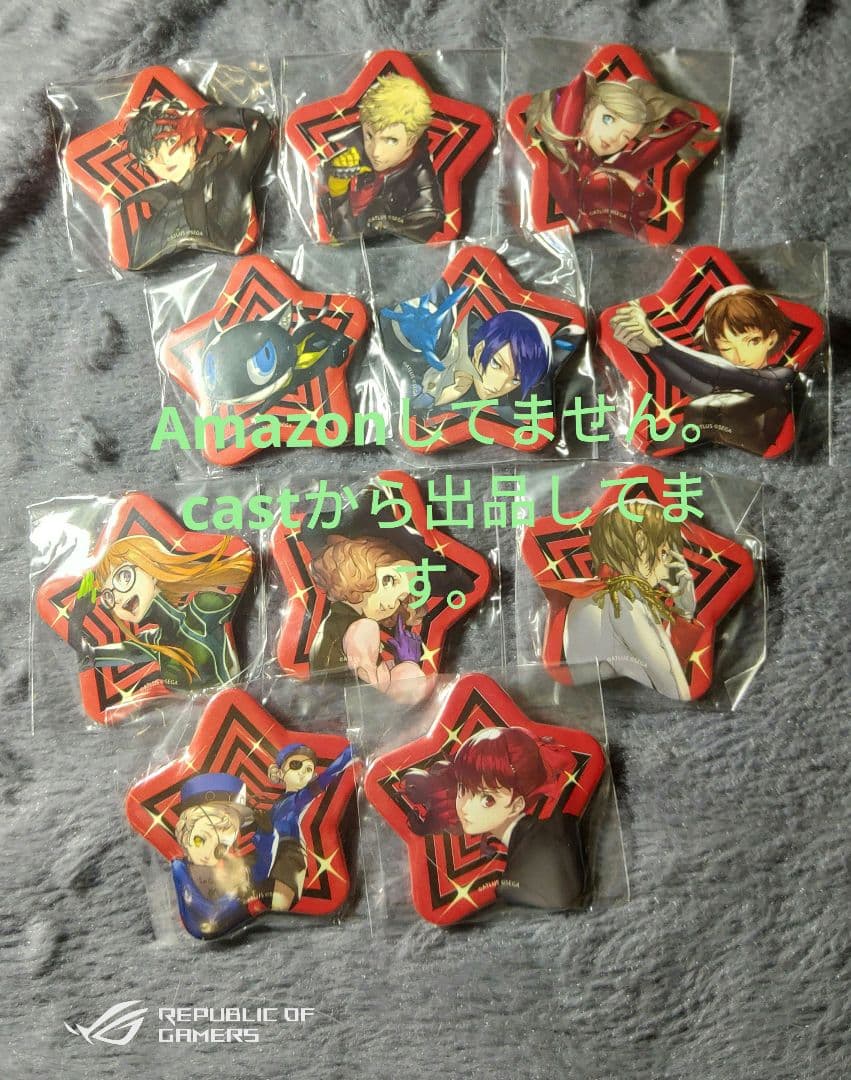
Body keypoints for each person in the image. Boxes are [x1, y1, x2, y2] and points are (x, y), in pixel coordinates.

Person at [402, 727, 588, 910]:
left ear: (517, 805)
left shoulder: (536, 849)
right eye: (463, 789)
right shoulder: (527, 839)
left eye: (487, 799)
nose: (465, 807)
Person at [543, 500, 699, 700]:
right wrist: (684, 614)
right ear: (641, 542)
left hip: (599, 701)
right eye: (664, 552)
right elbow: (676, 689)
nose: (667, 567)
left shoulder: (594, 595)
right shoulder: (622, 600)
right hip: (623, 705)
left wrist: (683, 612)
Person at [611, 287, 796, 455]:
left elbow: (723, 373)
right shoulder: (731, 390)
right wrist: (650, 348)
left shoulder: (781, 378)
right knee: (704, 405)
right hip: (715, 451)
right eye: (726, 347)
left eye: (752, 341)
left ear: (771, 339)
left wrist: (657, 340)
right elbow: (690, 381)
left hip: (763, 451)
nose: (740, 355)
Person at [525, 73, 708, 237]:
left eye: (626, 136)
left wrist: (659, 111)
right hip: (573, 234)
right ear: (587, 109)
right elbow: (576, 89)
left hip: (623, 241)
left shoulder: (621, 165)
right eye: (608, 119)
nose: (613, 137)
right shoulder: (566, 153)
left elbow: (690, 127)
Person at [73, 534, 253, 690]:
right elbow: (88, 656)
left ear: (150, 569)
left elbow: (248, 609)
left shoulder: (203, 609)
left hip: (233, 700)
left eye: (124, 577)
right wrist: (76, 617)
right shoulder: (152, 642)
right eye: (108, 596)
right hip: (188, 711)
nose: (118, 598)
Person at [122, 97, 272, 269]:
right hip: (177, 274)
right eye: (150, 155)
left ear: (192, 137)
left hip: (237, 263)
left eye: (171, 141)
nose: (163, 160)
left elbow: (259, 125)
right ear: (145, 163)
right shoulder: (154, 206)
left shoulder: (228, 170)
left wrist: (203, 119)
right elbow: (133, 261)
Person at [308, 535, 432, 705]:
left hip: (330, 708)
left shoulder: (334, 622)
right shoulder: (365, 626)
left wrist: (395, 665)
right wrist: (409, 665)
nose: (390, 603)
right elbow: (374, 697)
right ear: (357, 567)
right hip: (351, 712)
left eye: (400, 598)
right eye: (389, 580)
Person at [321, 74, 443, 242]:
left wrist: (385, 225)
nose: (376, 152)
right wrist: (338, 193)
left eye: (390, 140)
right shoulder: (348, 154)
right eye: (369, 136)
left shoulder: (420, 177)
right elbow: (345, 240)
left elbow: (426, 222)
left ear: (411, 141)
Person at [171, 774, 273, 939]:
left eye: (222, 847)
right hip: (206, 924)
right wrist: (236, 898)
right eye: (199, 840)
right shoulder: (180, 869)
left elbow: (261, 874)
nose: (208, 854)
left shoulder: (230, 867)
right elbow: (204, 912)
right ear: (184, 834)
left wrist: (268, 838)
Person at [261, 743, 354, 910]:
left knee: (278, 907)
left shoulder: (301, 797)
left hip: (290, 852)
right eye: (296, 764)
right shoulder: (277, 804)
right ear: (280, 772)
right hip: (269, 856)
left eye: (308, 769)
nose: (302, 771)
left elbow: (330, 773)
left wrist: (350, 751)